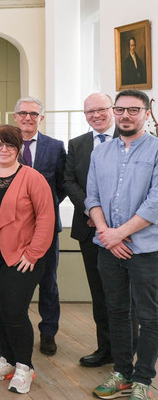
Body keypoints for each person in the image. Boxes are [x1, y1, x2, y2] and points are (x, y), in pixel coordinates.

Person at [0, 125, 55, 395]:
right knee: (1, 309)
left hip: (22, 257)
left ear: (18, 149)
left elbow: (46, 218)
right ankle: (7, 359)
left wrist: (33, 253)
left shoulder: (32, 177)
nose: (3, 150)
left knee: (14, 311)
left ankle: (24, 366)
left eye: (10, 145)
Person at [86, 89, 158, 400]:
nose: (125, 115)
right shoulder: (99, 152)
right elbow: (92, 198)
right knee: (116, 311)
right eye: (120, 109)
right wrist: (106, 233)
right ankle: (122, 373)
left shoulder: (156, 149)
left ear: (146, 112)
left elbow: (155, 203)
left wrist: (120, 234)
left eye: (133, 110)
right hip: (108, 248)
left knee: (149, 315)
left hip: (146, 250)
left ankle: (143, 379)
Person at [63, 92, 117, 368]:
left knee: (123, 294)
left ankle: (126, 351)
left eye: (101, 109)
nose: (95, 115)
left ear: (112, 109)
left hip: (123, 231)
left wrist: (108, 218)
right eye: (89, 112)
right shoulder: (77, 144)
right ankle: (104, 348)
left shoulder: (130, 138)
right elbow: (69, 181)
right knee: (99, 293)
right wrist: (92, 212)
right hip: (88, 229)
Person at [13, 96, 66, 355]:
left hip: (47, 228)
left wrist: (45, 208)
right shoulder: (5, 146)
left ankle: (48, 332)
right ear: (15, 117)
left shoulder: (55, 147)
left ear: (41, 118)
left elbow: (62, 185)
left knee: (48, 281)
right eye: (23, 113)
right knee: (15, 282)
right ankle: (15, 330)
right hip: (14, 228)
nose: (28, 117)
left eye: (34, 114)